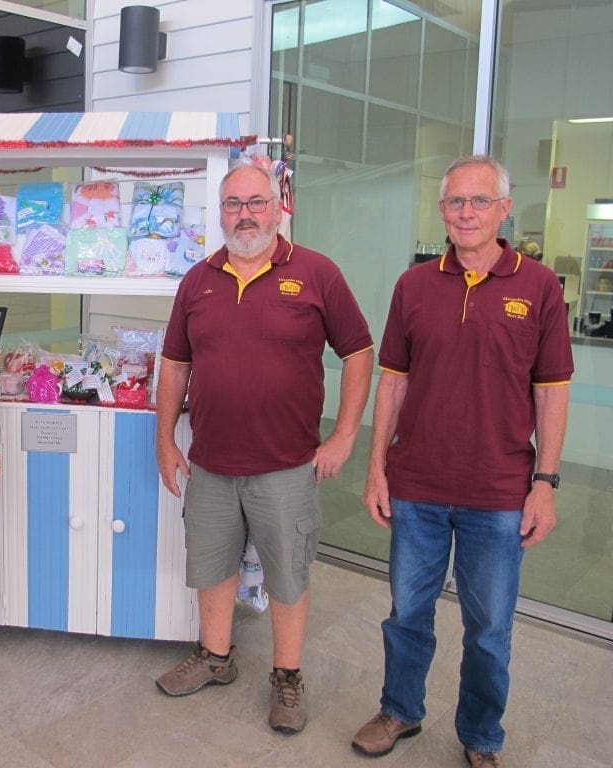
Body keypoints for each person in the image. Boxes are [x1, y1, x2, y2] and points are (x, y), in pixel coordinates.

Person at [352, 156, 573, 768]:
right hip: (417, 485)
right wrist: (377, 469)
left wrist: (545, 483)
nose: (467, 213)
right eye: (455, 202)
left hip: (499, 493)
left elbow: (551, 390)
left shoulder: (539, 286)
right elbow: (392, 381)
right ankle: (400, 710)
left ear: (504, 208)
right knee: (407, 615)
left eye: (480, 201)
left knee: (490, 631)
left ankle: (481, 737)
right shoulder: (414, 285)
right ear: (442, 210)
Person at [154, 160, 374, 735]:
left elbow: (358, 351)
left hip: (286, 464)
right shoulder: (198, 279)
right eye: (233, 204)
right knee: (212, 566)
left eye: (255, 202)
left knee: (287, 574)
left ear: (278, 207)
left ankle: (287, 676)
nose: (244, 214)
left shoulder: (317, 273)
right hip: (211, 461)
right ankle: (215, 657)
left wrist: (346, 434)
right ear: (220, 212)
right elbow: (175, 363)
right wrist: (164, 440)